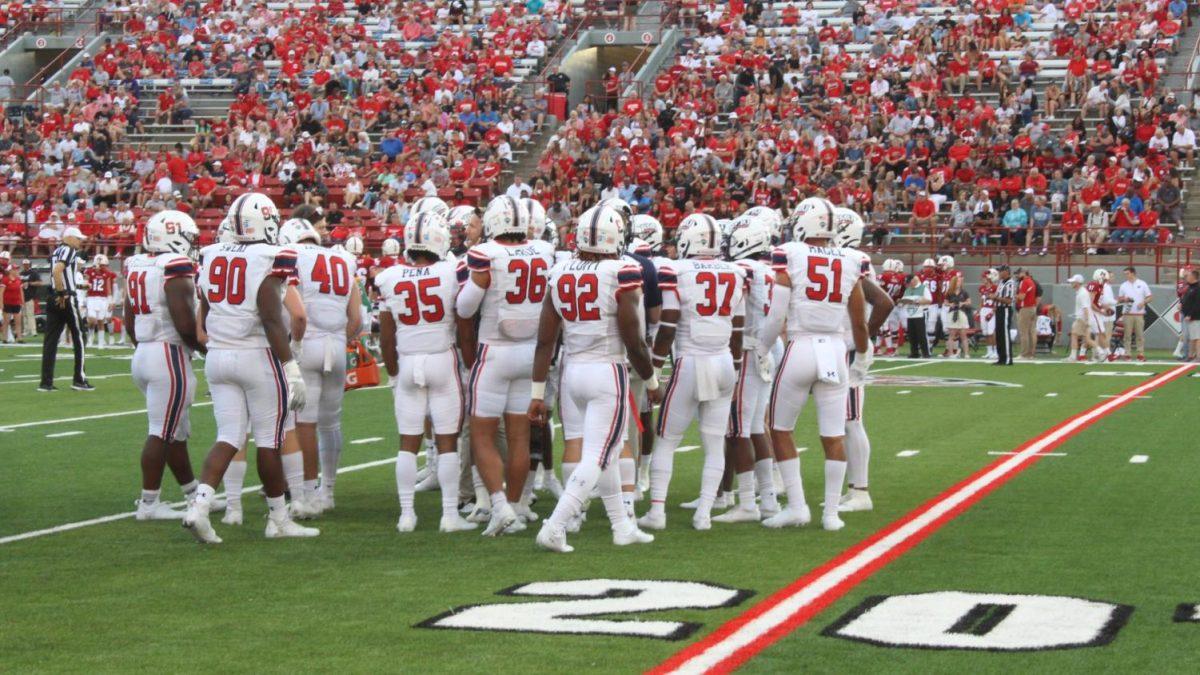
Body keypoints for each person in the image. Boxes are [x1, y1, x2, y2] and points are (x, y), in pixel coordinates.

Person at [183, 192, 317, 544]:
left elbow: (207, 308)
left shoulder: (211, 255)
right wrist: (291, 366)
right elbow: (272, 317)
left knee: (228, 436)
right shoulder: (271, 256)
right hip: (256, 356)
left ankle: (199, 505)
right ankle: (278, 519)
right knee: (270, 441)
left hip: (217, 356)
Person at [529, 205, 658, 552]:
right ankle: (555, 526)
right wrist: (652, 381)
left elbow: (545, 340)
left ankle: (621, 525)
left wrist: (537, 392)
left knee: (608, 451)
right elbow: (633, 339)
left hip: (573, 372)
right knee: (599, 455)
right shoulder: (621, 270)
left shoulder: (559, 271)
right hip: (606, 370)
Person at [755, 199, 889, 531]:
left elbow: (776, 315)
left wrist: (760, 348)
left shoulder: (790, 253)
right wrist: (861, 355)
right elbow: (859, 322)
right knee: (833, 434)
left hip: (801, 346)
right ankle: (831, 514)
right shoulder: (851, 260)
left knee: (780, 427)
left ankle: (798, 506)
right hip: (834, 350)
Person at [639, 214, 746, 532]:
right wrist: (737, 372)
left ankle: (657, 511)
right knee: (714, 441)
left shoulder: (677, 270)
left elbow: (669, 322)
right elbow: (738, 329)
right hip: (724, 359)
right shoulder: (736, 271)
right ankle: (703, 515)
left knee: (667, 439)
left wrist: (654, 371)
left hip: (690, 360)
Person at [456, 195, 555, 536]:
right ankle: (514, 507)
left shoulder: (488, 254)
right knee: (519, 438)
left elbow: (466, 308)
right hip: (531, 354)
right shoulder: (543, 251)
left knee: (482, 433)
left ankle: (499, 506)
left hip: (495, 353)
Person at [376, 212, 475, 534]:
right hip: (441, 360)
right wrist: (470, 363)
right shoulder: (451, 271)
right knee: (447, 441)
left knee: (408, 441)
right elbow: (463, 324)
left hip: (408, 362)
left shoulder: (389, 276)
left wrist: (392, 372)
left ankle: (406, 515)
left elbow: (386, 335)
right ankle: (449, 515)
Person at [123, 210, 208, 520]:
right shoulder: (174, 265)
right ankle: (148, 504)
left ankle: (192, 493)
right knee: (161, 431)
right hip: (168, 353)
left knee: (175, 431)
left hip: (144, 352)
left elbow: (129, 320)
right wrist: (209, 349)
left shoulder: (137, 265)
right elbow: (185, 323)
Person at [278, 217, 362, 515]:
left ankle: (309, 495)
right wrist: (339, 339)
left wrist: (295, 346)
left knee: (304, 424)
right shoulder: (343, 258)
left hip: (307, 343)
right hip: (336, 346)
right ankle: (328, 492)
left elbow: (291, 312)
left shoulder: (291, 257)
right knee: (331, 423)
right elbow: (357, 319)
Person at [715, 218, 779, 522]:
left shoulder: (743, 270)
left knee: (738, 428)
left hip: (747, 349)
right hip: (765, 350)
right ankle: (767, 500)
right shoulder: (771, 270)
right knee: (755, 427)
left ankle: (748, 504)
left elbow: (733, 314)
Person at [39, 226, 92, 392]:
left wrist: (60, 291)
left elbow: (56, 272)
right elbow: (57, 271)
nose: (80, 242)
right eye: (78, 239)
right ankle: (79, 379)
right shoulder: (68, 250)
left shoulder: (56, 251)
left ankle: (46, 382)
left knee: (51, 341)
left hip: (52, 297)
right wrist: (62, 293)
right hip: (66, 298)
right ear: (69, 238)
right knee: (79, 337)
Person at [1117, 266, 1152, 361]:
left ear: (1133, 273)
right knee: (1127, 335)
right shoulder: (1123, 285)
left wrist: (1143, 302)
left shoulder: (1142, 284)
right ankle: (1127, 353)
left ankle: (1140, 353)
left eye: (1127, 273)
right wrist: (1124, 299)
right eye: (1125, 274)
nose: (1126, 276)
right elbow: (1119, 299)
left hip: (1139, 314)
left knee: (1139, 335)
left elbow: (1150, 297)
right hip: (1127, 313)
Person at [83, 254, 118, 348]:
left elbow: (108, 288)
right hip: (91, 298)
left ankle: (101, 343)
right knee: (92, 320)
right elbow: (85, 284)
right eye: (102, 265)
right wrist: (84, 298)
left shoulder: (107, 274)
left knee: (101, 321)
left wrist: (111, 301)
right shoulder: (89, 272)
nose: (104, 267)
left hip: (103, 299)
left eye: (104, 265)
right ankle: (90, 338)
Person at [1065, 274, 1101, 362]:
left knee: (1074, 335)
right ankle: (1101, 351)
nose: (1071, 283)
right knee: (1087, 339)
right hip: (1083, 318)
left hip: (1082, 318)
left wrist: (1087, 320)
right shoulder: (1081, 292)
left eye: (1073, 282)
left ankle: (1073, 356)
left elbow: (1086, 308)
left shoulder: (1082, 293)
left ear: (1077, 283)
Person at [901, 273, 932, 358]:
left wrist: (916, 301)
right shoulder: (907, 290)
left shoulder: (923, 288)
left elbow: (929, 300)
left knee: (922, 334)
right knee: (912, 335)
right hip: (910, 314)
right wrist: (902, 302)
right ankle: (914, 352)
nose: (908, 284)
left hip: (920, 313)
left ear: (914, 280)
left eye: (909, 282)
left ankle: (926, 352)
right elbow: (904, 300)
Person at [990, 265, 1016, 365]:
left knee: (1005, 334)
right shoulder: (1001, 282)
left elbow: (1008, 300)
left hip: (1005, 310)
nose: (999, 273)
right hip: (999, 309)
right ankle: (1001, 358)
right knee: (999, 334)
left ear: (1006, 272)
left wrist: (995, 298)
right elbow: (997, 295)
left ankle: (1008, 359)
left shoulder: (1010, 283)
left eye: (1001, 271)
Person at [1015, 268, 1038, 358]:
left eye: (1018, 273)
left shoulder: (1024, 282)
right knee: (1031, 331)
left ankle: (1024, 354)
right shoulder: (1031, 281)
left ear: (1024, 273)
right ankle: (1031, 353)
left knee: (1023, 332)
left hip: (1025, 308)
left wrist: (1014, 295)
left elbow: (1021, 297)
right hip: (1033, 307)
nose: (1017, 276)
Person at [978, 269, 999, 360]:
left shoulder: (995, 287)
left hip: (991, 310)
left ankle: (995, 351)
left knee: (991, 332)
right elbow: (982, 300)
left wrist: (993, 311)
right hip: (984, 309)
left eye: (985, 277)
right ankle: (989, 351)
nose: (983, 279)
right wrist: (980, 311)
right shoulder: (982, 288)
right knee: (985, 332)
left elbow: (997, 301)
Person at [1181, 268, 1200, 361]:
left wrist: (1190, 314)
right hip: (1189, 316)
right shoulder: (1191, 287)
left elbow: (1197, 303)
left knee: (1197, 337)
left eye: (1188, 276)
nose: (1187, 277)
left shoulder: (1197, 287)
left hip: (1195, 317)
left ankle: (1198, 356)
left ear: (1193, 277)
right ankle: (1191, 355)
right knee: (1193, 337)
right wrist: (1182, 304)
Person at [2, 264, 22, 342]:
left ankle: (19, 338)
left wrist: (21, 301)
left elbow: (20, 292)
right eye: (15, 269)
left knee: (18, 321)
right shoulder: (5, 280)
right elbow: (1, 293)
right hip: (7, 302)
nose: (16, 271)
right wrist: (1, 304)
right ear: (10, 271)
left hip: (16, 302)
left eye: (17, 269)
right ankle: (4, 338)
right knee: (6, 321)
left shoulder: (18, 280)